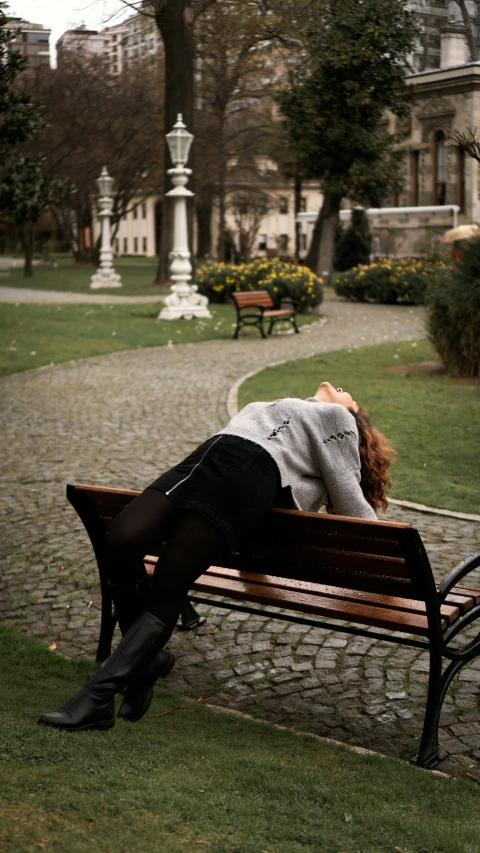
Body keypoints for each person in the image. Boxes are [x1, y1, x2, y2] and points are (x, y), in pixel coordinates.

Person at [38, 381, 394, 732]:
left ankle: (98, 697)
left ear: (353, 415)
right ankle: (146, 663)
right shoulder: (280, 406)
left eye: (350, 393)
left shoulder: (339, 419)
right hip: (205, 459)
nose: (337, 386)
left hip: (249, 473)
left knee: (169, 578)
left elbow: (349, 499)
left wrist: (391, 551)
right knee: (120, 538)